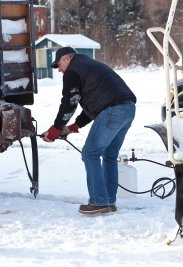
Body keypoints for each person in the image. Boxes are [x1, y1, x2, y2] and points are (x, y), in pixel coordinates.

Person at [42, 47, 136, 215]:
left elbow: (70, 102)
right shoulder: (89, 65)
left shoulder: (73, 71)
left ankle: (98, 201)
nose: (60, 71)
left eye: (59, 65)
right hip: (127, 109)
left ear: (66, 59)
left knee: (90, 154)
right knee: (109, 155)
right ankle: (108, 201)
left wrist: (55, 129)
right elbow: (97, 102)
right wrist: (73, 126)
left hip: (112, 110)